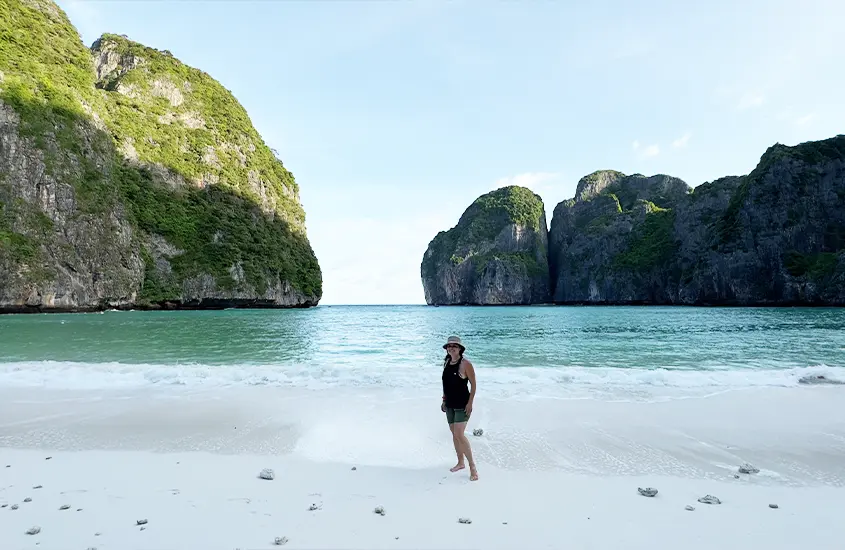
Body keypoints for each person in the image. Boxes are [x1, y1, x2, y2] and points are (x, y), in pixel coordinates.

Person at [440, 335, 478, 481]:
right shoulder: (446, 362)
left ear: (460, 349)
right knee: (454, 435)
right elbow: (446, 384)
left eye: (454, 346)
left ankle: (472, 467)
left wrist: (470, 403)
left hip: (462, 405)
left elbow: (473, 384)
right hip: (449, 404)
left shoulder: (465, 364)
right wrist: (444, 400)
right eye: (449, 346)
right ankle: (460, 462)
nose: (451, 348)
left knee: (460, 434)